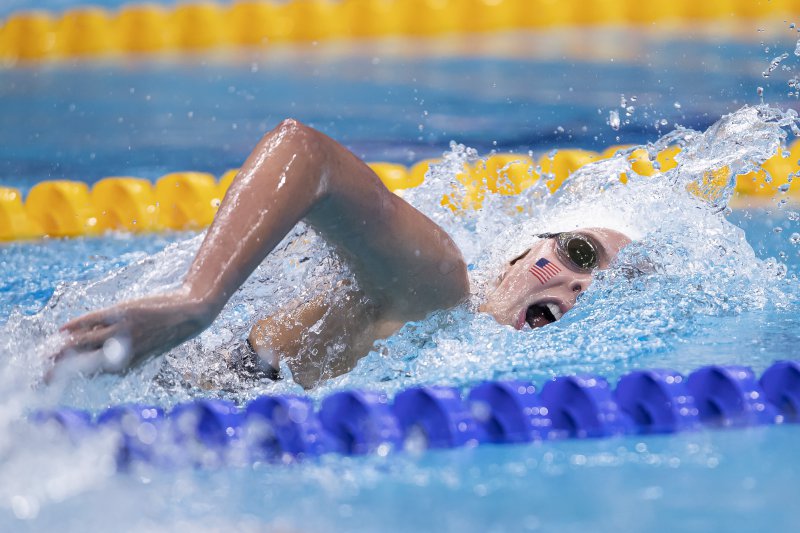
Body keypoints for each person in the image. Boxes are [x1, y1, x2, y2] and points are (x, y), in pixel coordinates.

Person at [51, 119, 631, 388]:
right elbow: (305, 153)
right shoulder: (441, 285)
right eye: (580, 253)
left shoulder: (482, 365)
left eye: (604, 287)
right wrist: (198, 299)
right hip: (177, 379)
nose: (582, 285)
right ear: (518, 254)